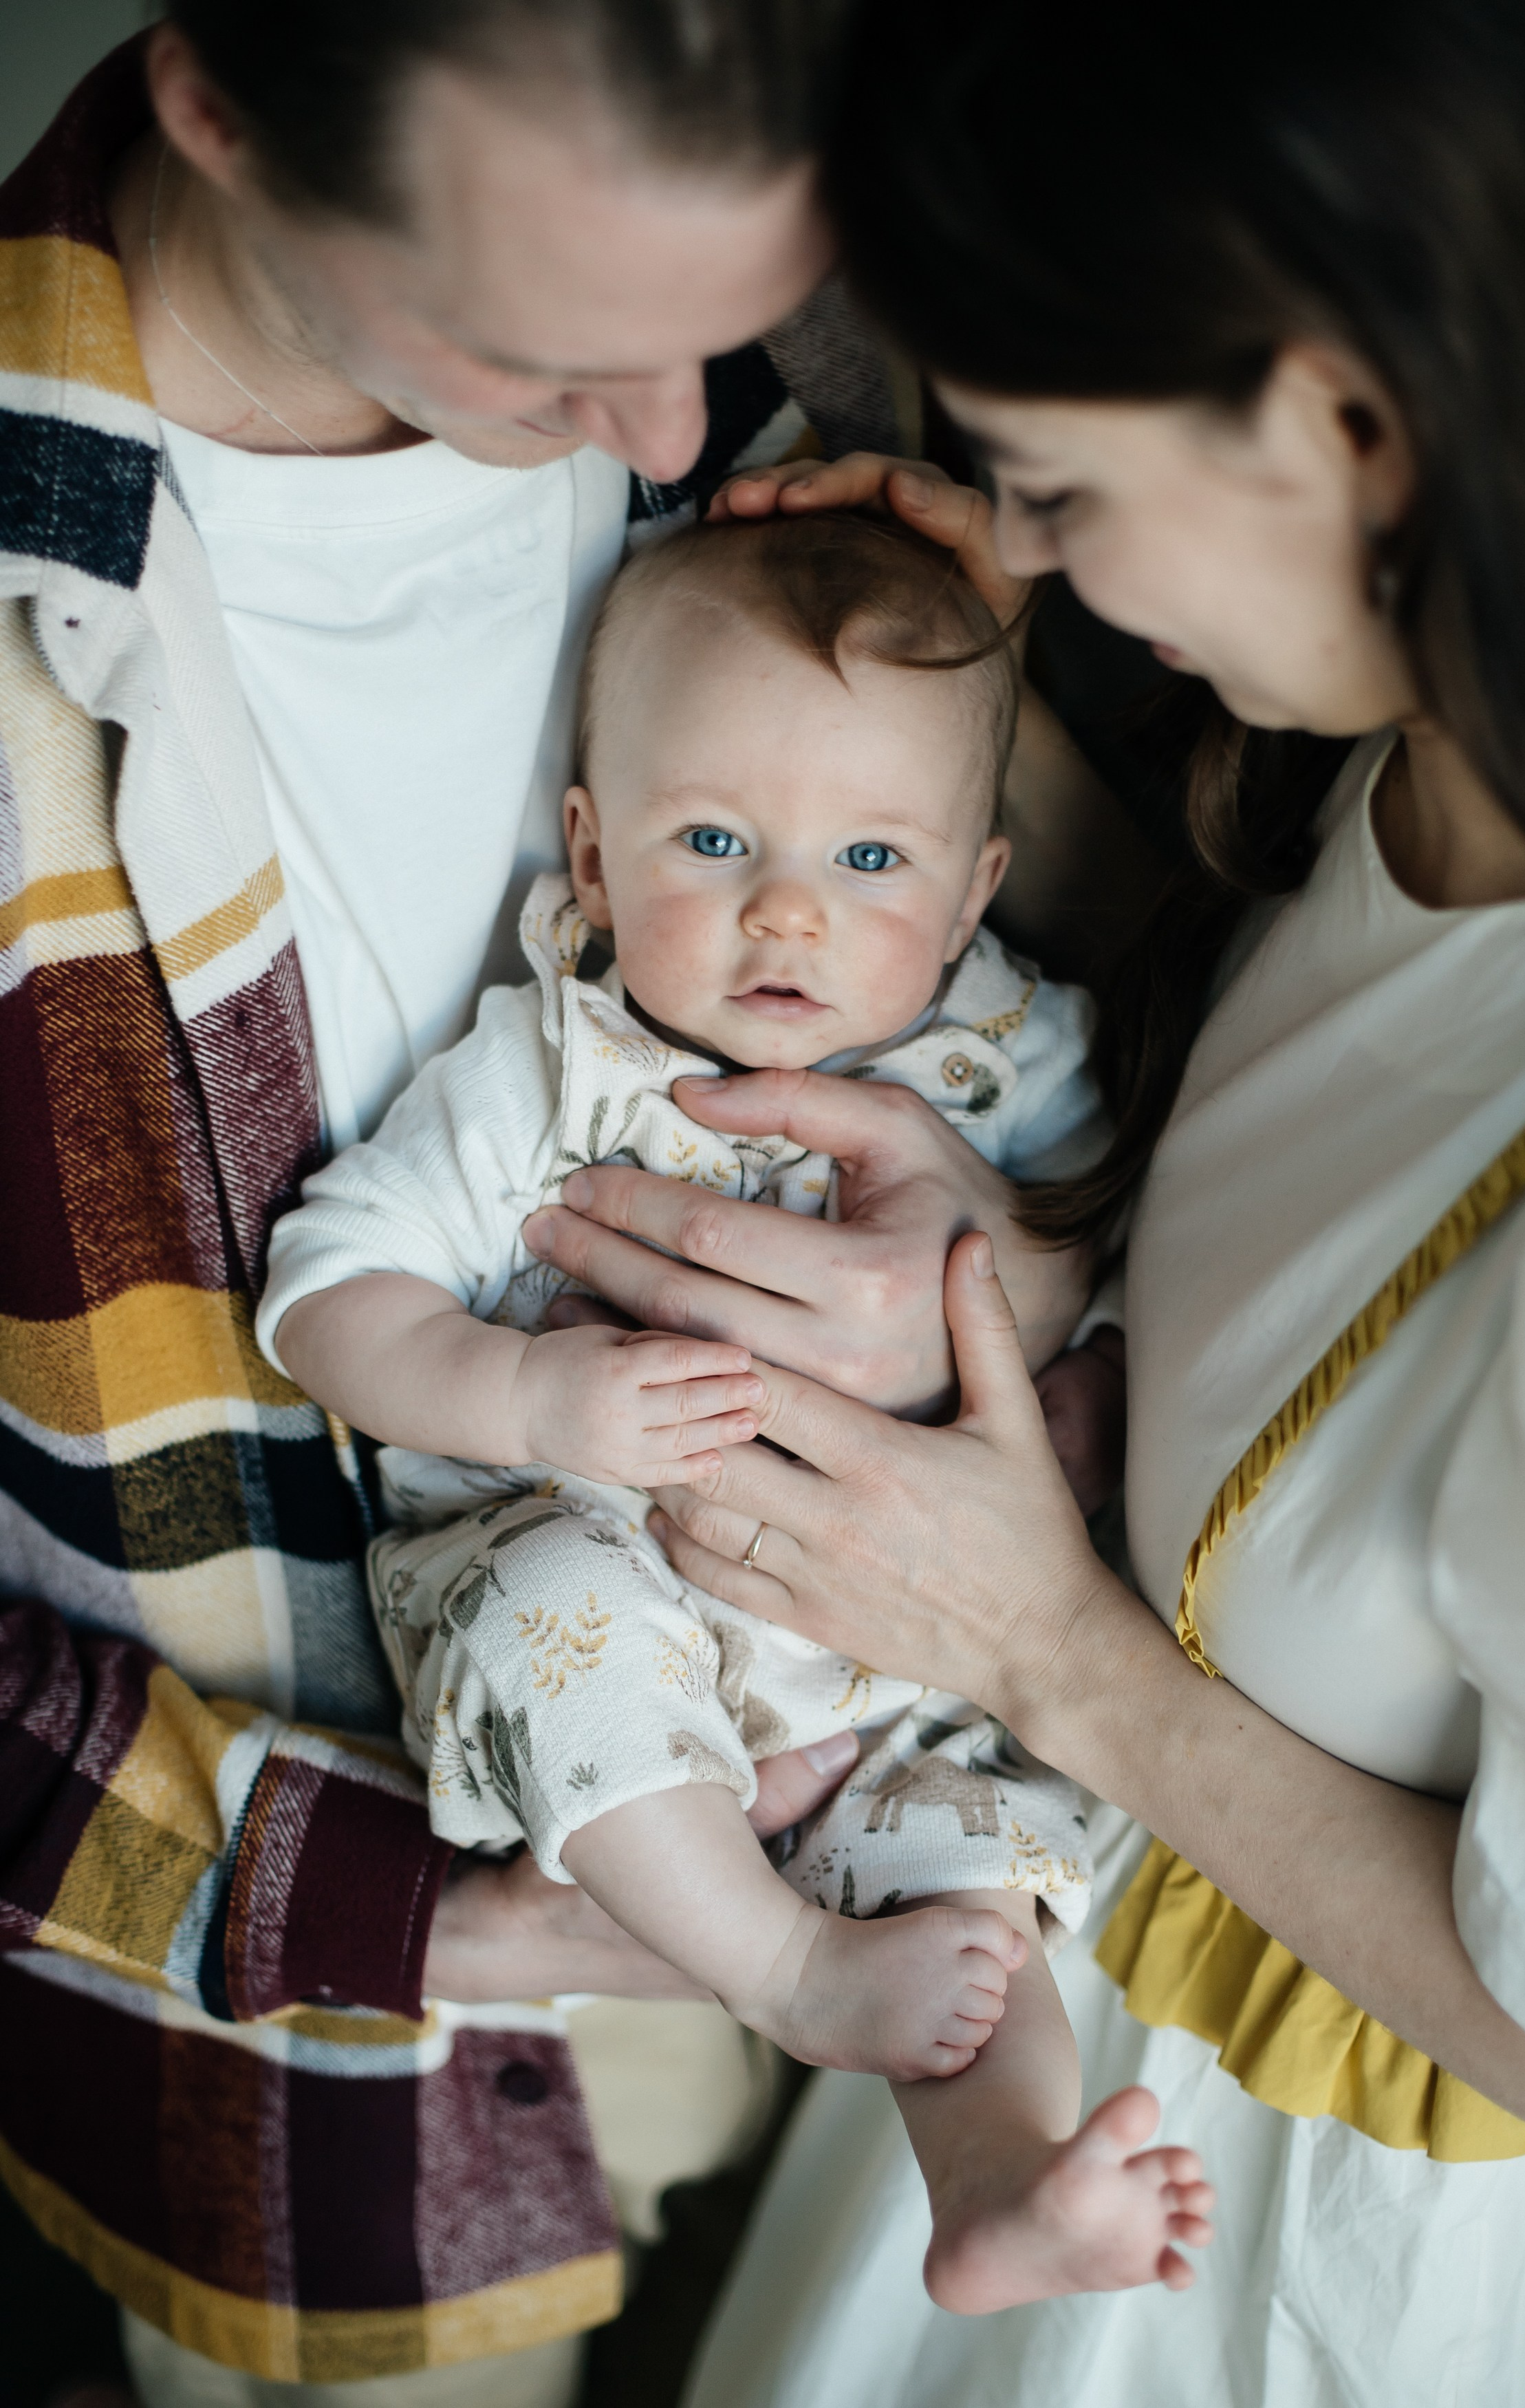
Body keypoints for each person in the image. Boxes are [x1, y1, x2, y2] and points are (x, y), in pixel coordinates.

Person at [0, 4, 1125, 2398]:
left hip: (853, 1840)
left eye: (717, 335)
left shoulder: (796, 420)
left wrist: (992, 1278)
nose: (676, 435)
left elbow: (1154, 1100)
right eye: (550, 351)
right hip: (329, 2046)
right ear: (214, 98)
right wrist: (452, 1921)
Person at [493, 0, 1525, 2398]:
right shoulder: (1414, 750)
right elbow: (1312, 1181)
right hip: (1042, 1992)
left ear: (1344, 417)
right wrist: (930, 814)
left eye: (1050, 482)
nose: (1012, 546)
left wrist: (1039, 1644)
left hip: (1315, 2248)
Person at [256, 507, 1210, 2308]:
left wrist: (1077, 1379)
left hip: (904, 1650)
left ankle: (1004, 2184)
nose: (791, 909)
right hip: (609, 1589)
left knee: (970, 1895)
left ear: (975, 887)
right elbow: (327, 1294)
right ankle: (776, 1963)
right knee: (561, 1618)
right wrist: (532, 1387)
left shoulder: (1010, 1054)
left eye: (870, 854)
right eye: (715, 841)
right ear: (596, 859)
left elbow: (1148, 1236)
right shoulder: (557, 1065)